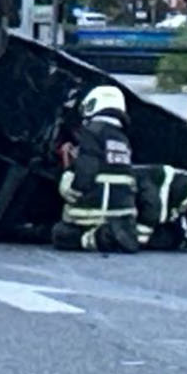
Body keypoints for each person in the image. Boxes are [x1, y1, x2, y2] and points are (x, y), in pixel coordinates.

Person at [52, 85, 187, 255]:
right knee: (170, 240)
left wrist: (139, 236)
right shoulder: (121, 149)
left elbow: (152, 205)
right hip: (176, 198)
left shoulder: (141, 182)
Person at [52, 85, 143, 254]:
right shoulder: (121, 138)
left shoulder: (92, 132)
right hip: (122, 212)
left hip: (95, 212)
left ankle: (102, 237)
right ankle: (110, 234)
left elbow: (87, 170)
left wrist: (69, 183)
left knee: (60, 234)